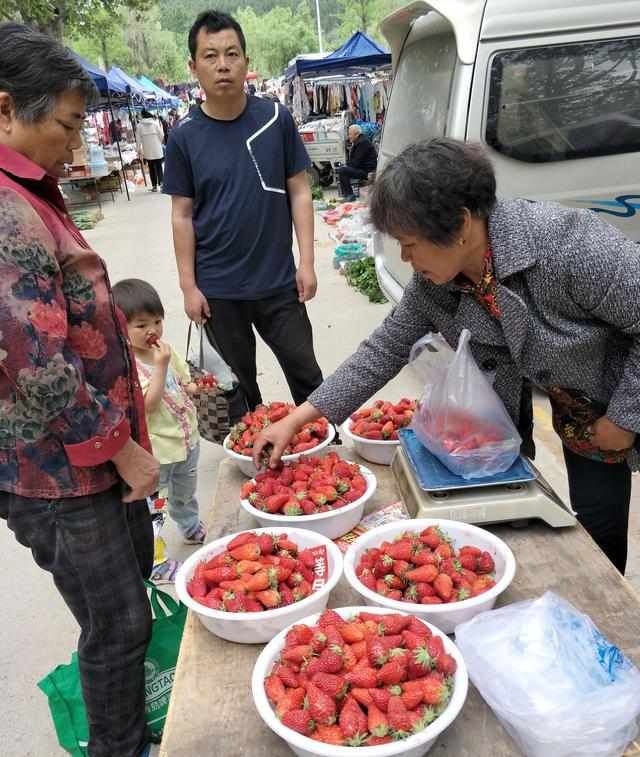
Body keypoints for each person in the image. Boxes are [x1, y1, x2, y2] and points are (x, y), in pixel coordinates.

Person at [254, 137, 640, 576]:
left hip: (627, 386)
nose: (405, 257)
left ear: (460, 225)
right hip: (579, 411)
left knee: (601, 529)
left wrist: (626, 417)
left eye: (411, 243)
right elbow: (383, 350)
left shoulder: (567, 246)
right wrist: (299, 418)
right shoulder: (435, 284)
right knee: (597, 527)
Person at [0, 23, 159, 757]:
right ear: (6, 111)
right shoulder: (5, 212)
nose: (77, 142)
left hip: (83, 462)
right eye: (66, 125)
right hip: (59, 475)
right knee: (118, 623)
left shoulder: (32, 192)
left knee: (124, 611)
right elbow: (38, 369)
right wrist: (123, 450)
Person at [164, 10, 323, 417]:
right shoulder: (183, 137)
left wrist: (306, 261)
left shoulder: (275, 119)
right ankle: (254, 464)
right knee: (237, 390)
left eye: (232, 54)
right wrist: (188, 287)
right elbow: (181, 215)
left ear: (246, 63)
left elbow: (300, 191)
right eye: (211, 55)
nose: (223, 65)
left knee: (307, 374)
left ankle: (325, 450)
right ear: (193, 66)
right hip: (219, 289)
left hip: (279, 283)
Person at [112, 278, 207, 553]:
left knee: (185, 493)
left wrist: (193, 387)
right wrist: (160, 367)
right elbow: (147, 406)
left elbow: (183, 380)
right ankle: (154, 554)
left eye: (156, 321)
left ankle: (189, 527)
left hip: (187, 440)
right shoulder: (129, 367)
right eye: (141, 325)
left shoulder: (165, 351)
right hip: (159, 453)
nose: (152, 330)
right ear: (121, 328)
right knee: (156, 504)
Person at [335, 124, 378, 201]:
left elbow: (356, 163)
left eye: (350, 134)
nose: (349, 136)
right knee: (343, 169)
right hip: (363, 169)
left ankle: (350, 195)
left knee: (342, 171)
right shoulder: (360, 141)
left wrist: (346, 166)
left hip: (367, 172)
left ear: (356, 134)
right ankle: (346, 194)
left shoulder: (362, 143)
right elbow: (355, 162)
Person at [136, 109, 164, 191]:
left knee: (151, 168)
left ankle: (154, 186)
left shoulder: (139, 126)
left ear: (142, 116)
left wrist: (138, 150)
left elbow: (138, 140)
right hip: (157, 149)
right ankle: (162, 185)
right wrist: (158, 141)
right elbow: (161, 135)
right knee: (159, 167)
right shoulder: (155, 123)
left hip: (148, 150)